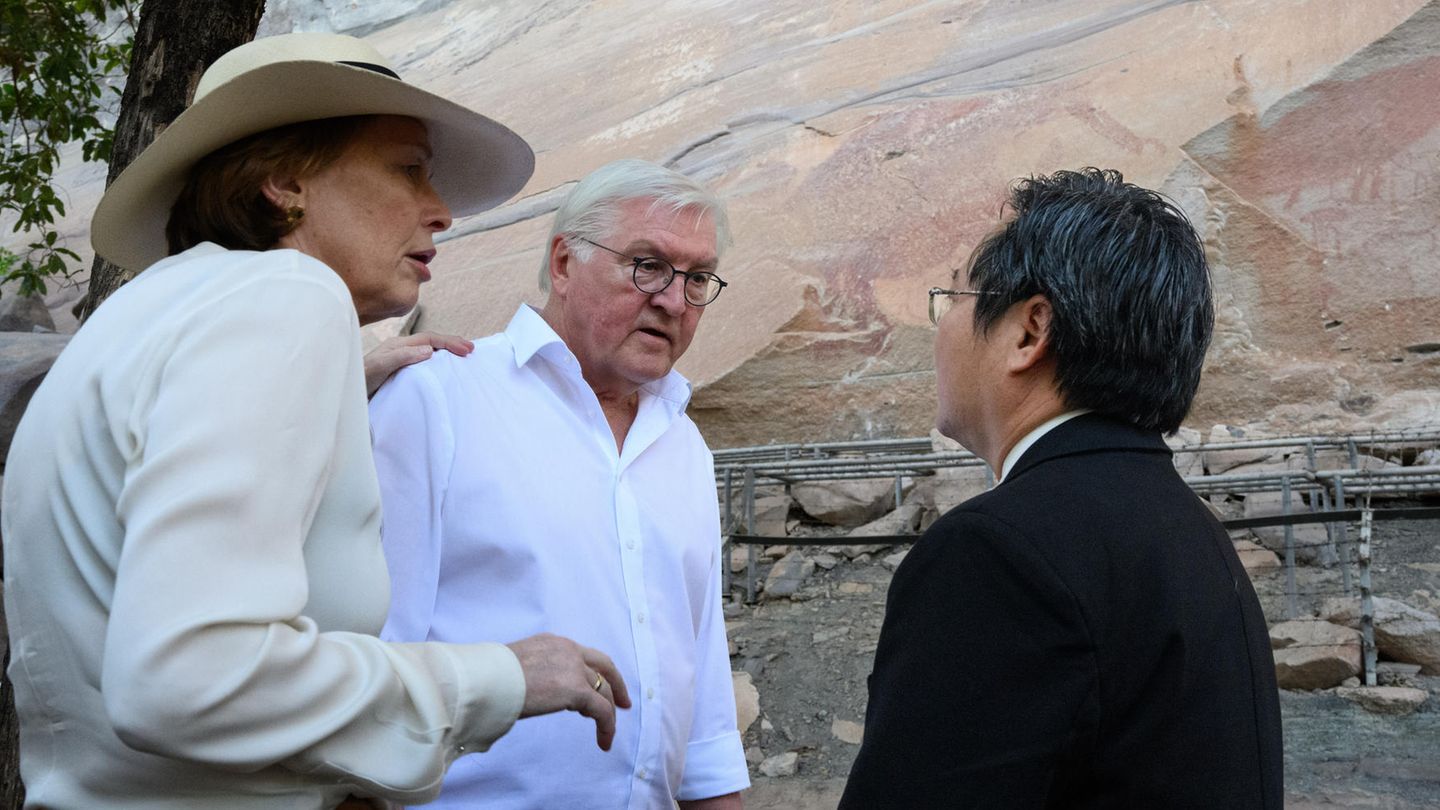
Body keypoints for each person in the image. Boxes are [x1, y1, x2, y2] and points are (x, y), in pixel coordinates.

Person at [1, 32, 630, 810]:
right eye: (408, 168)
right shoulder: (290, 296)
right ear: (285, 182)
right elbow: (189, 679)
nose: (440, 212)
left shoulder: (140, 319)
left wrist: (327, 397)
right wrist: (502, 676)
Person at [840, 168, 1283, 808]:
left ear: (1029, 331)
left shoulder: (996, 554)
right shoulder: (1190, 526)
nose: (941, 327)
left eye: (954, 296)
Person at [369, 159, 749, 809]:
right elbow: (366, 656)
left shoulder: (682, 443)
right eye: (648, 265)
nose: (672, 300)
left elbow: (702, 676)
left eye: (696, 278)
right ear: (565, 263)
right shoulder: (439, 397)